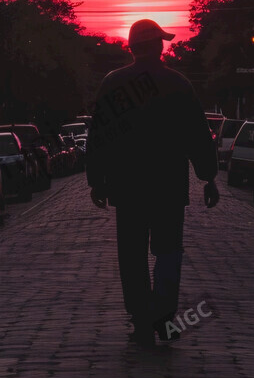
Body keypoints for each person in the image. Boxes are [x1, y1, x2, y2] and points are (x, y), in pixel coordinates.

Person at [85, 19, 219, 347]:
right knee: (169, 252)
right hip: (168, 188)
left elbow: (98, 136)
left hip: (127, 188)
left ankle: (141, 317)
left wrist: (97, 181)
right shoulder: (178, 83)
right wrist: (209, 176)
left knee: (131, 255)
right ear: (158, 47)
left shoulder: (114, 83)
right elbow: (198, 136)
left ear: (132, 47)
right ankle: (163, 315)